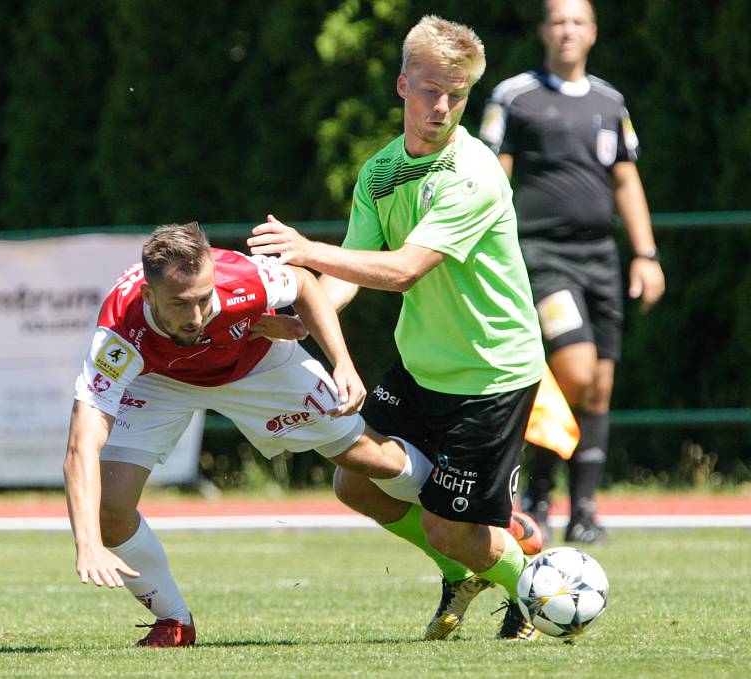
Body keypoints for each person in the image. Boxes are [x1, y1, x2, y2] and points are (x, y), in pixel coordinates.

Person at [248, 16, 546, 641]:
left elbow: (404, 270)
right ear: (402, 85)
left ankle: (538, 586)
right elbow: (351, 274)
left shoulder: (474, 174)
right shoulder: (381, 172)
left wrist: (305, 249)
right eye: (431, 89)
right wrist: (300, 319)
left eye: (457, 94)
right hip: (421, 367)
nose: (442, 107)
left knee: (445, 523)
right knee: (355, 480)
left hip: (488, 374)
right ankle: (464, 564)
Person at [63, 222, 437, 648]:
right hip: (159, 378)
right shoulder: (118, 335)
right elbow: (81, 447)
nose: (197, 316)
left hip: (255, 361)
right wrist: (88, 541)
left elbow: (304, 284)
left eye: (205, 299)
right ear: (149, 296)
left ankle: (464, 516)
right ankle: (175, 622)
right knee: (108, 509)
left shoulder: (240, 276)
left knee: (367, 458)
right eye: (181, 304)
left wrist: (342, 363)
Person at [479, 0, 665, 543]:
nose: (567, 30)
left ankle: (582, 509)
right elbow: (493, 177)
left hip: (601, 259)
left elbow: (626, 180)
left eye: (577, 21)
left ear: (593, 33)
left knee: (600, 387)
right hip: (542, 258)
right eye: (558, 20)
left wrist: (646, 256)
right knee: (577, 372)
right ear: (543, 30)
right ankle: (538, 487)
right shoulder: (515, 97)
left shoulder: (610, 101)